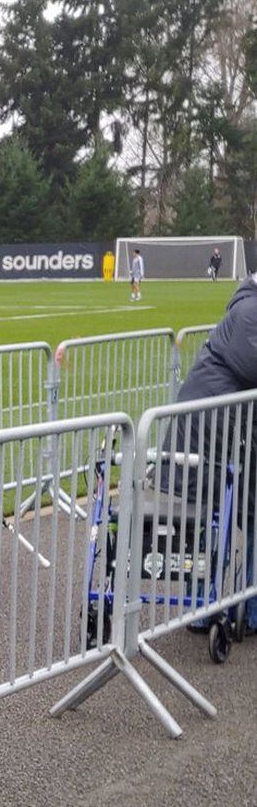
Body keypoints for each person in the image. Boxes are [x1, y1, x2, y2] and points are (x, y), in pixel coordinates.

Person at [176, 271, 257, 634]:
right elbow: (251, 366)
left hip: (231, 427)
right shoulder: (249, 312)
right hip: (210, 428)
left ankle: (243, 608)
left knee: (238, 515)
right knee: (212, 517)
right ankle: (202, 608)